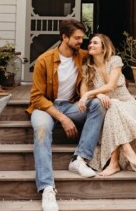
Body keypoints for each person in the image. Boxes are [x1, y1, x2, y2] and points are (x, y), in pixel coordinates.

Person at [26, 19, 106, 211]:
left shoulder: (83, 57)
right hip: (44, 108)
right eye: (77, 38)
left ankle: (79, 159)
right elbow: (36, 98)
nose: (81, 41)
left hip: (70, 106)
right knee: (42, 129)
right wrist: (62, 119)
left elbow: (108, 64)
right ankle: (47, 188)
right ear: (64, 37)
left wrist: (121, 91)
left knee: (97, 105)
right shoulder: (44, 60)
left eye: (82, 37)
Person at [79, 34, 136, 177]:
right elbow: (83, 90)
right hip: (111, 108)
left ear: (104, 47)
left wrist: (91, 94)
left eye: (95, 43)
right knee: (112, 105)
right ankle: (124, 149)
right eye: (90, 43)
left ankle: (115, 163)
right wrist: (97, 95)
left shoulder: (115, 60)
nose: (90, 45)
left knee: (114, 104)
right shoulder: (88, 67)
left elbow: (111, 86)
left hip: (128, 105)